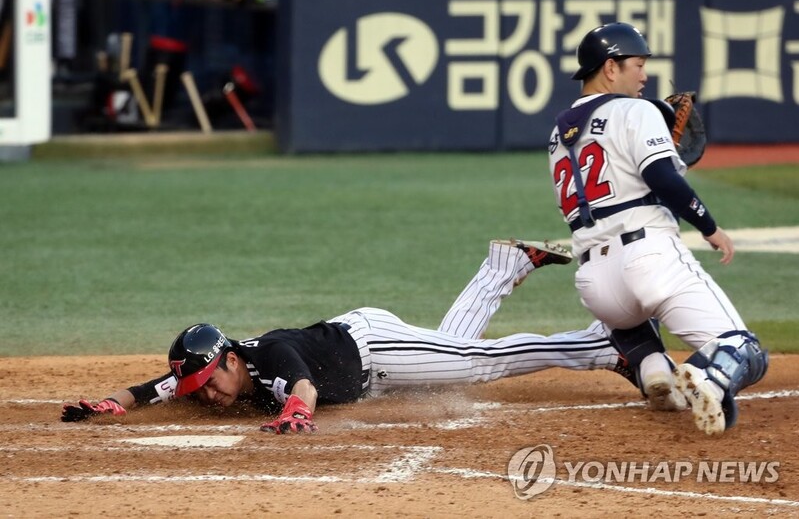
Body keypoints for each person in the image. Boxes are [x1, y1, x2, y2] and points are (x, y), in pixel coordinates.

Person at [62, 239, 642, 433]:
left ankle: (596, 345)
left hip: (374, 348)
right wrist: (112, 404)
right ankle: (504, 265)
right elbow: (156, 388)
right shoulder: (212, 368)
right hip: (373, 376)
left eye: (209, 382)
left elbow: (305, 389)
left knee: (475, 364)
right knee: (455, 349)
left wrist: (295, 416)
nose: (206, 395)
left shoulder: (267, 353)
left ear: (229, 359)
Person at [547, 22, 768, 435]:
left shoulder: (559, 131)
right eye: (638, 64)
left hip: (596, 283)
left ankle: (654, 370)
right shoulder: (637, 110)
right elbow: (663, 179)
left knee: (632, 321)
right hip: (650, 258)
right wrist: (709, 226)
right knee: (745, 349)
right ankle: (710, 377)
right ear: (610, 68)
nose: (644, 76)